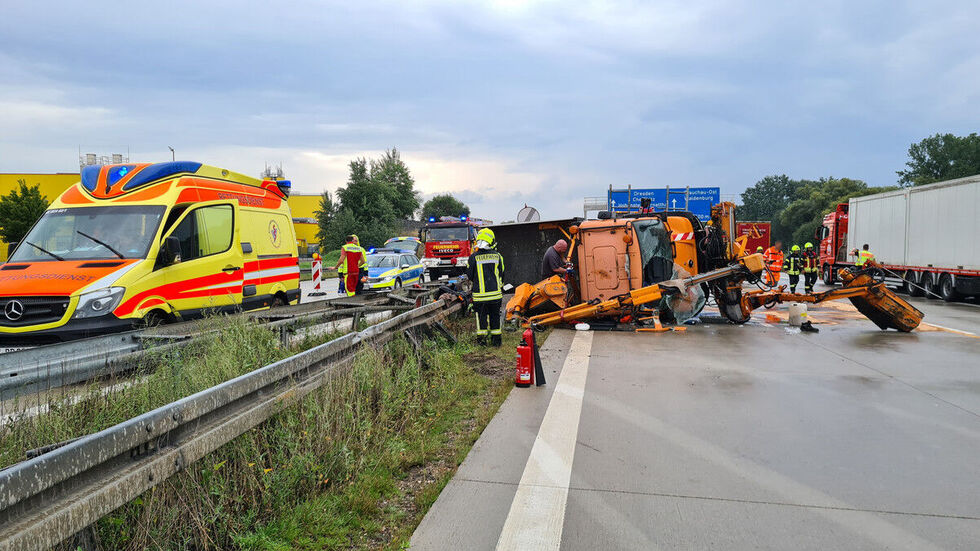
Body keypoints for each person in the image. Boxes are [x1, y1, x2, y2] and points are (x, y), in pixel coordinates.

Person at [467, 228, 505, 347]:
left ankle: (482, 342)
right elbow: (502, 274)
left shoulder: (473, 257)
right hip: (495, 295)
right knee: (495, 317)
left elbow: (469, 275)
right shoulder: (498, 256)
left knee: (481, 318)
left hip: (479, 296)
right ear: (491, 241)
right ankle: (496, 341)